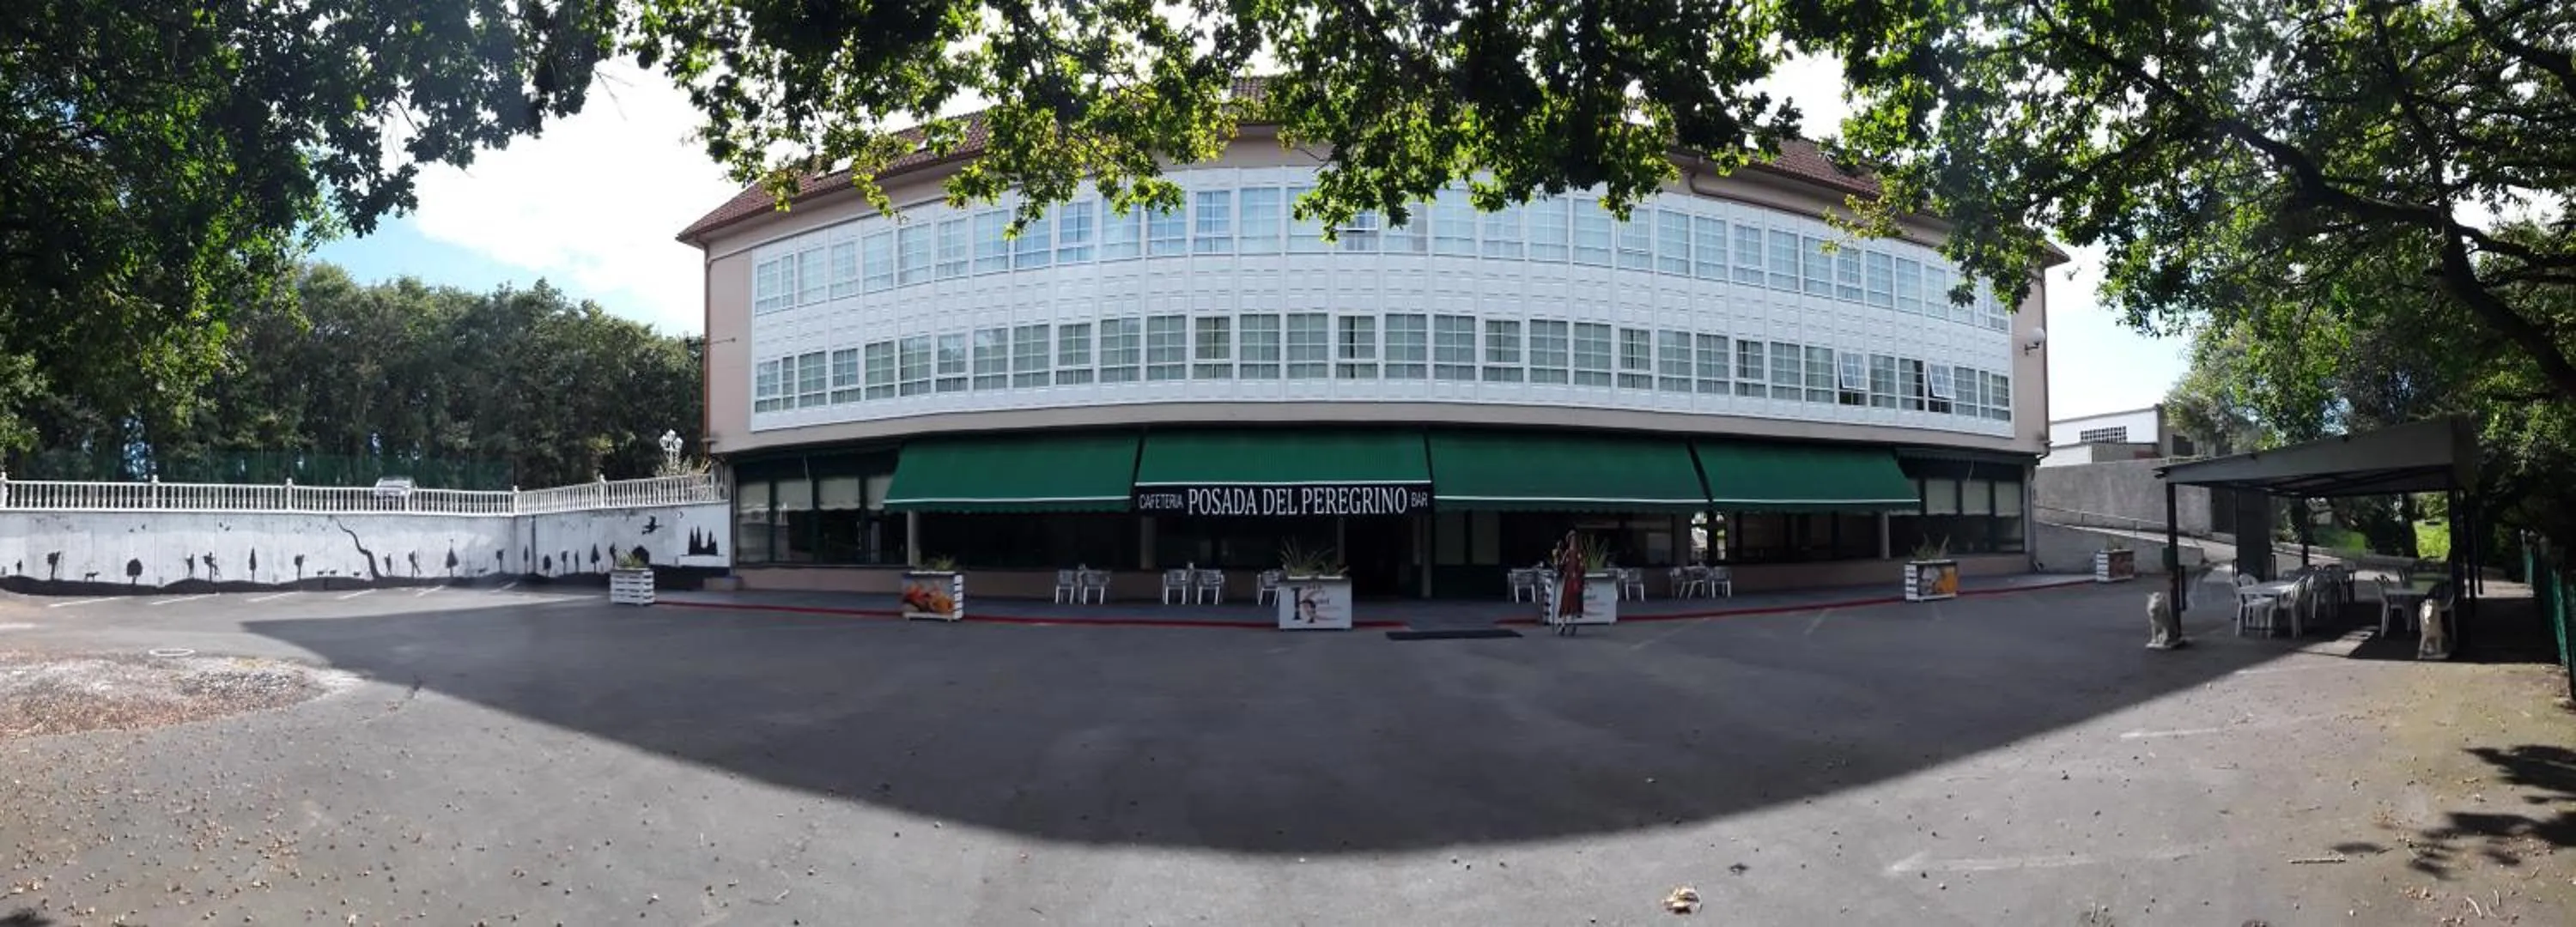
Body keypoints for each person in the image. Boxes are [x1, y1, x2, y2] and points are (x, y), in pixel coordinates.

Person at [1555, 530, 1586, 624]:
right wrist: (1559, 565)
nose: (1573, 541)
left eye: (1574, 539)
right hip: (1568, 579)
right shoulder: (1567, 552)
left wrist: (1578, 573)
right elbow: (1562, 564)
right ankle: (1563, 621)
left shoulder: (1578, 553)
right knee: (1566, 600)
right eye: (1571, 539)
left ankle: (1573, 619)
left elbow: (1582, 566)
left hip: (1575, 580)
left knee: (1575, 600)